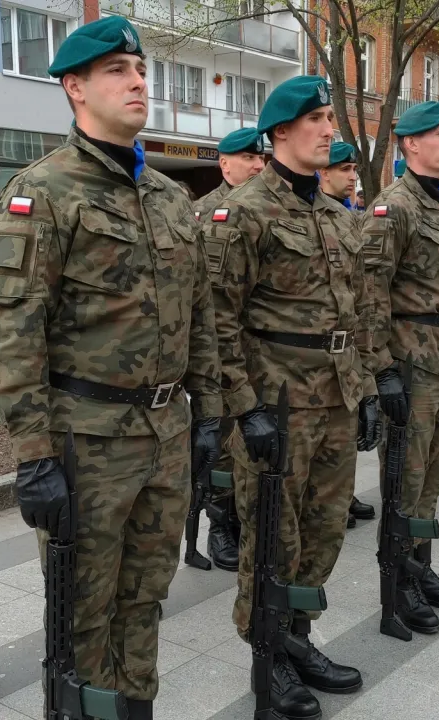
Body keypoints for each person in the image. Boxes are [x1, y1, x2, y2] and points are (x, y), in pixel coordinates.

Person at [0, 19, 221, 719]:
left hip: (165, 434)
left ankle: (133, 706)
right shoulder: (42, 192)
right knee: (85, 607)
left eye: (140, 68)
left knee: (146, 592)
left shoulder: (169, 198)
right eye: (118, 69)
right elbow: (11, 329)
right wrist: (32, 456)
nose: (139, 81)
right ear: (75, 88)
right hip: (87, 441)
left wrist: (206, 412)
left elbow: (197, 313)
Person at [205, 75, 370, 717]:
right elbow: (218, 322)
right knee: (273, 537)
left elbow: (353, 312)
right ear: (280, 132)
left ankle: (298, 640)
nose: (330, 129)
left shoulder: (335, 214)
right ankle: (267, 657)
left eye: (331, 117)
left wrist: (365, 385)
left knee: (324, 531)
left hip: (335, 397)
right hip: (277, 405)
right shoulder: (245, 212)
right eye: (318, 119)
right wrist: (244, 409)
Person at [357, 100, 439, 634]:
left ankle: (420, 567)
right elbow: (369, 292)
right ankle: (398, 584)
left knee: (433, 477)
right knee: (405, 480)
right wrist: (381, 371)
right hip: (412, 362)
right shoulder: (393, 208)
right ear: (409, 144)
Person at [191, 126, 267, 571]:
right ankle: (221, 524)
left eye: (261, 159)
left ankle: (247, 516)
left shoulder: (266, 210)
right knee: (220, 443)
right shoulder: (204, 213)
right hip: (218, 350)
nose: (258, 165)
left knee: (247, 444)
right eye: (249, 159)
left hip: (256, 353)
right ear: (225, 164)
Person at [322, 140, 376, 528]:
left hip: (346, 354)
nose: (353, 175)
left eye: (354, 168)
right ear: (323, 172)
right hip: (298, 364)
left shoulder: (349, 218)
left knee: (343, 441)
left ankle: (344, 493)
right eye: (345, 169)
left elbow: (361, 297)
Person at [193, 126, 266, 223]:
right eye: (249, 157)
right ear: (225, 164)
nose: (260, 166)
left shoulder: (275, 203)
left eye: (261, 159)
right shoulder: (203, 209)